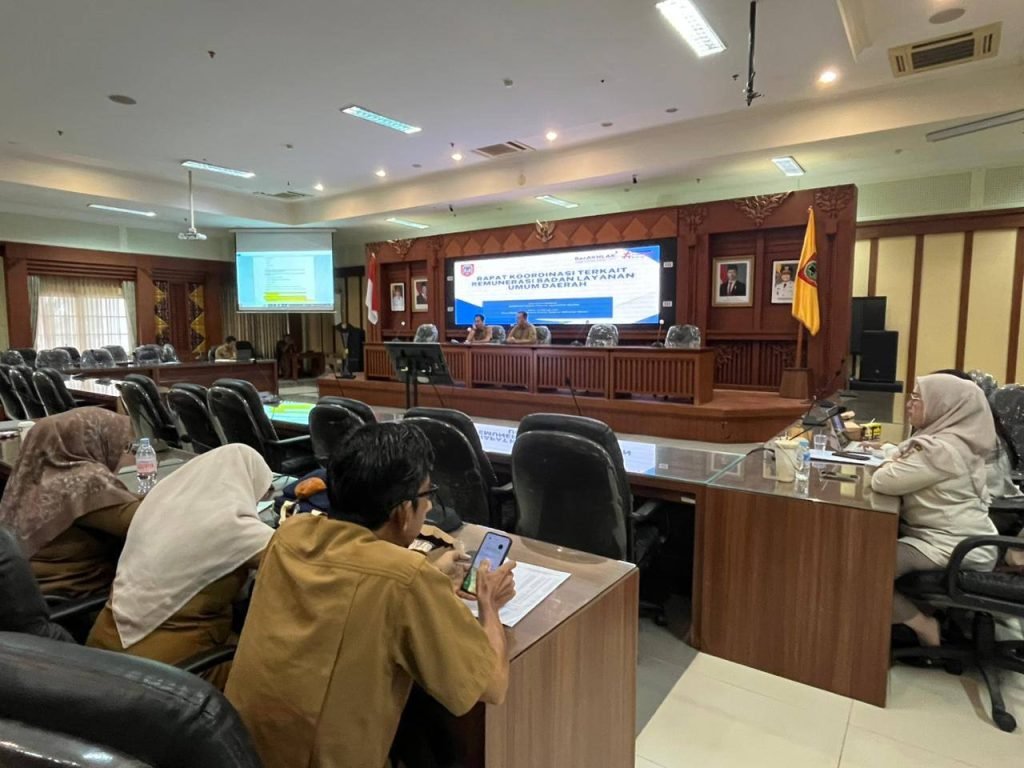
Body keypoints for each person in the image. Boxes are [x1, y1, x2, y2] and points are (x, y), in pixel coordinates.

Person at [225, 422, 515, 768]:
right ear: (403, 511)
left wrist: (431, 576)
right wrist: (488, 604)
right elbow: (491, 686)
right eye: (427, 495)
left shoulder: (291, 534)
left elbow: (354, 584)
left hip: (236, 749)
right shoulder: (405, 579)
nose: (428, 508)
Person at [87, 444, 274, 690]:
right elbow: (296, 558)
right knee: (278, 672)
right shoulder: (232, 527)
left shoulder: (154, 506)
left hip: (104, 649)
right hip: (171, 673)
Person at [870, 374, 999, 648]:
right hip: (959, 539)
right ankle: (916, 615)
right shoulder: (951, 441)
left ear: (943, 406)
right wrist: (892, 459)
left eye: (917, 398)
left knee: (865, 566)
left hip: (950, 545)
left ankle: (924, 625)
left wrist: (889, 463)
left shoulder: (941, 451)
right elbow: (900, 462)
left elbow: (883, 481)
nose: (909, 404)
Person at [0, 408, 139, 598]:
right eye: (126, 447)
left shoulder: (33, 475)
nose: (130, 454)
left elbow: (118, 504)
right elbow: (145, 523)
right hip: (74, 596)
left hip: (25, 594)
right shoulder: (85, 481)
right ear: (96, 441)